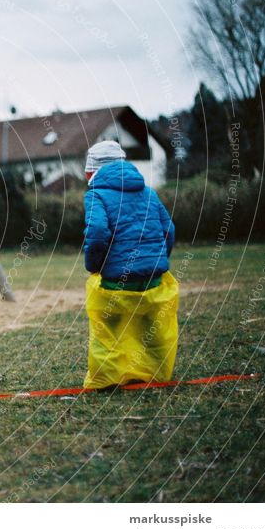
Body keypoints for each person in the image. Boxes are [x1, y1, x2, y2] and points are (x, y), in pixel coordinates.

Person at [82, 140, 179, 389]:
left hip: (116, 280)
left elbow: (97, 232)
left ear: (92, 171)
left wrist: (94, 265)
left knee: (108, 328)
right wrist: (157, 259)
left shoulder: (95, 195)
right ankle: (154, 373)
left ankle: (107, 379)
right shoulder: (148, 192)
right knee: (151, 328)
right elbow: (169, 229)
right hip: (154, 279)